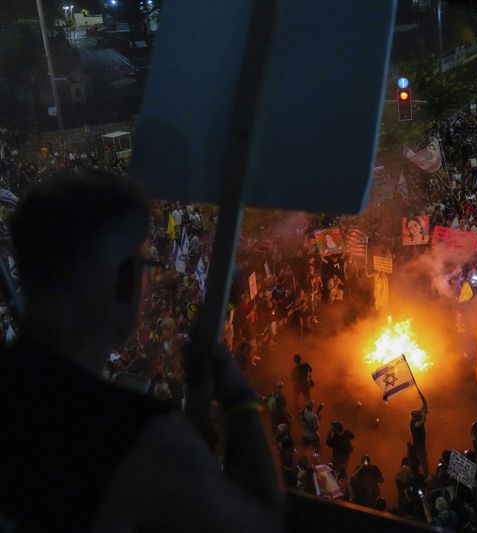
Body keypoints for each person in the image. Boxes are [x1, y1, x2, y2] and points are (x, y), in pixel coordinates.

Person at [0, 170, 282, 531]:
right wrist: (238, 396)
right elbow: (266, 522)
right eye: (146, 264)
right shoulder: (138, 437)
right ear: (123, 281)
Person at [410, 396, 429, 475]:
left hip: (421, 443)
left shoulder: (416, 418)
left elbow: (424, 405)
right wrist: (424, 413)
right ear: (416, 416)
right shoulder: (414, 423)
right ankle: (424, 475)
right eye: (418, 413)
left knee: (423, 460)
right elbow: (422, 422)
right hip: (418, 444)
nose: (420, 413)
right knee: (422, 461)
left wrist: (422, 396)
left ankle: (425, 473)